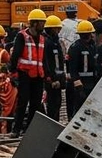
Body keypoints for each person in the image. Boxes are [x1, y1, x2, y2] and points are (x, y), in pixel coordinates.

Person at [8, 9, 47, 137]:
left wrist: (47, 74)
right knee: (22, 102)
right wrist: (13, 73)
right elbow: (15, 56)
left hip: (38, 75)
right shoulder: (22, 36)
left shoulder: (42, 38)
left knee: (35, 104)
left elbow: (44, 58)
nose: (44, 25)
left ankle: (29, 130)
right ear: (34, 23)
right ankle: (16, 129)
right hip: (24, 74)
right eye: (42, 22)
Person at [67, 20, 101, 117]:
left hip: (91, 82)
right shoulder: (75, 47)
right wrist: (78, 85)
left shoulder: (92, 46)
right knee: (78, 108)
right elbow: (72, 68)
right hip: (81, 83)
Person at [42, 15, 67, 122]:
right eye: (57, 28)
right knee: (52, 105)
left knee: (58, 104)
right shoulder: (47, 43)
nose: (59, 30)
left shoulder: (56, 43)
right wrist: (51, 79)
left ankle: (55, 123)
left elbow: (59, 63)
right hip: (52, 80)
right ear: (51, 28)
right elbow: (46, 62)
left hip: (58, 79)